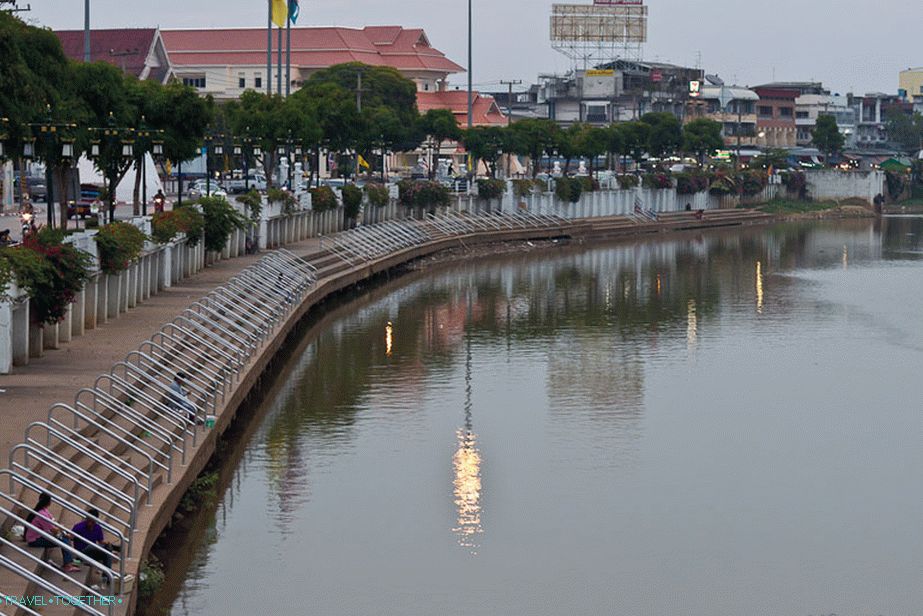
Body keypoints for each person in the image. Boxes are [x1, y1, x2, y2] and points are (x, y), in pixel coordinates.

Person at [24, 492, 80, 573]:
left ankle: (69, 561)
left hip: (40, 536)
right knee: (63, 541)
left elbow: (52, 523)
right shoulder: (41, 514)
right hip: (35, 540)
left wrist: (61, 530)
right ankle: (67, 565)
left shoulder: (43, 511)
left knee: (64, 537)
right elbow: (53, 530)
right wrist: (61, 529)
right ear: (49, 503)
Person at [72, 509, 114, 588]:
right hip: (82, 551)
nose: (90, 522)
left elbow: (100, 541)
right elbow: (71, 536)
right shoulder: (78, 527)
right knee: (92, 546)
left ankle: (106, 576)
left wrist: (107, 543)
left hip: (92, 552)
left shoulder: (97, 528)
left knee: (107, 551)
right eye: (88, 519)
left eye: (92, 521)